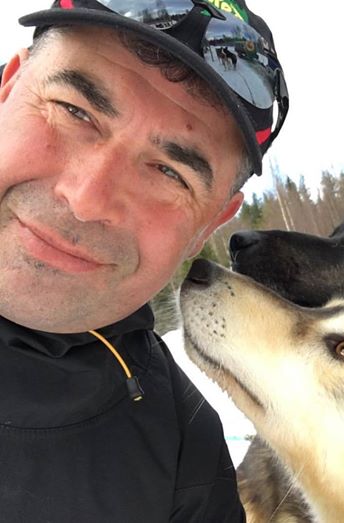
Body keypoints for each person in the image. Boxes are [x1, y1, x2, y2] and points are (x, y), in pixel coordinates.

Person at [0, 1, 288, 521]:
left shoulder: (186, 460)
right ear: (7, 88)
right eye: (74, 111)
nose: (86, 199)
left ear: (211, 223)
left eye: (170, 172)